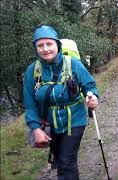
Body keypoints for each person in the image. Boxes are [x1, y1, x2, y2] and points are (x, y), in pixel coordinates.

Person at [23, 25, 99, 180]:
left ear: (57, 44)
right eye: (40, 45)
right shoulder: (33, 71)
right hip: (50, 123)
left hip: (74, 120)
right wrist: (36, 129)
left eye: (49, 44)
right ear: (35, 48)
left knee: (66, 161)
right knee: (60, 159)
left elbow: (89, 85)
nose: (45, 49)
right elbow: (30, 104)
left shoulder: (73, 64)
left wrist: (93, 97)